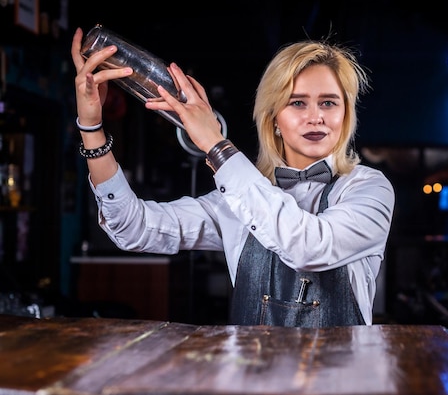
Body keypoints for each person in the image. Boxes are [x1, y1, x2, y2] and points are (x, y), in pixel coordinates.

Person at [70, 28, 395, 327]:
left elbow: (308, 247)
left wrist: (216, 146)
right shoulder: (236, 200)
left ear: (345, 115)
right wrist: (92, 128)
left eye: (329, 103)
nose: (316, 117)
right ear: (274, 119)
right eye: (297, 103)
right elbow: (132, 228)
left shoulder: (368, 189)